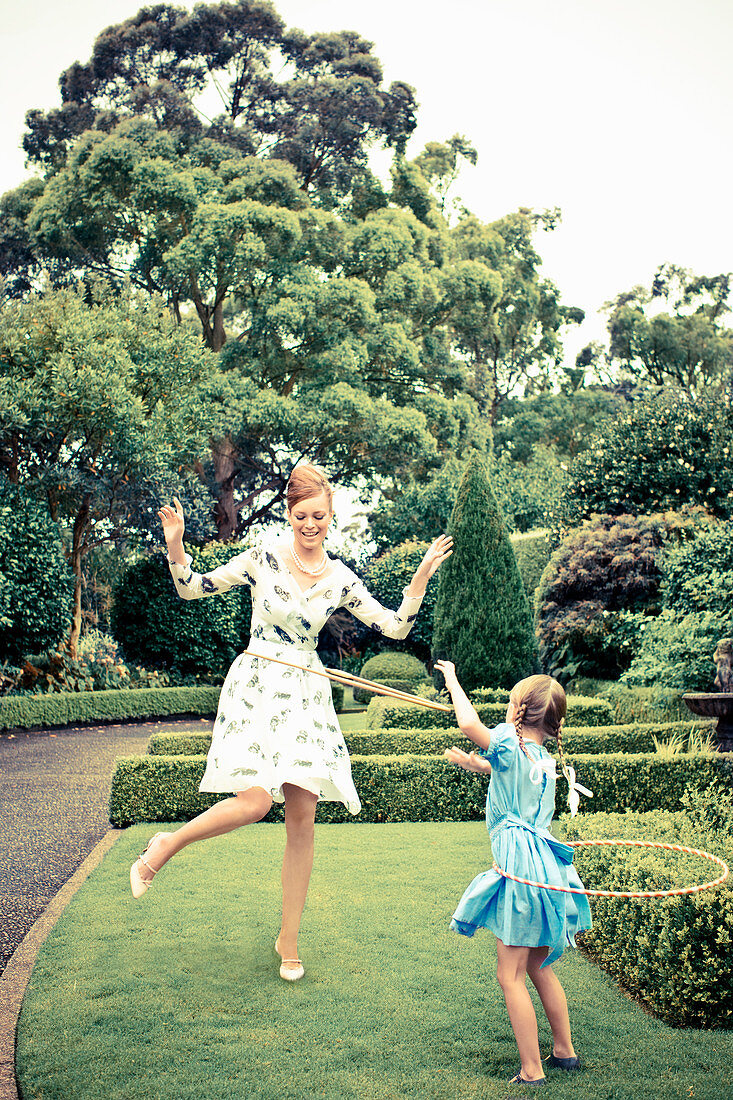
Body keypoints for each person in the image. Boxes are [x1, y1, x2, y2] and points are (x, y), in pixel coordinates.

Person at [130, 463, 453, 983]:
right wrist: (176, 546)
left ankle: (289, 939)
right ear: (288, 512)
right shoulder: (262, 557)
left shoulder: (342, 577)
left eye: (319, 516)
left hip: (305, 690)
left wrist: (418, 580)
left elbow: (393, 627)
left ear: (331, 516)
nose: (310, 525)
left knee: (303, 814)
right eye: (301, 515)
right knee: (256, 802)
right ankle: (165, 845)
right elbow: (192, 587)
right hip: (259, 683)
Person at [434, 660, 592, 1088]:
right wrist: (479, 767)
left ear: (519, 709)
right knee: (539, 966)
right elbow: (510, 775)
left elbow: (469, 724)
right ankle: (564, 1050)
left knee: (511, 975)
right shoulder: (541, 758)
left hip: (522, 870)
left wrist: (452, 678)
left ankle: (532, 1070)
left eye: (509, 701)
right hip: (546, 869)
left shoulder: (508, 740)